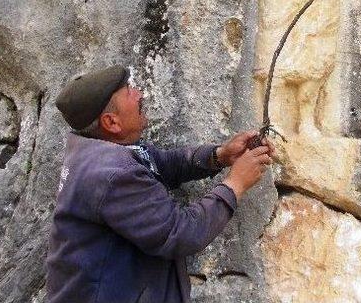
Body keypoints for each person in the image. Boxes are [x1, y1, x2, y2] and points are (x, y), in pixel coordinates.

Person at [45, 65, 273, 303]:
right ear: (111, 122)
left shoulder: (99, 152)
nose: (139, 93)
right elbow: (179, 232)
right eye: (128, 92)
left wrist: (219, 155)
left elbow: (160, 163)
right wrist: (235, 183)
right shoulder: (111, 173)